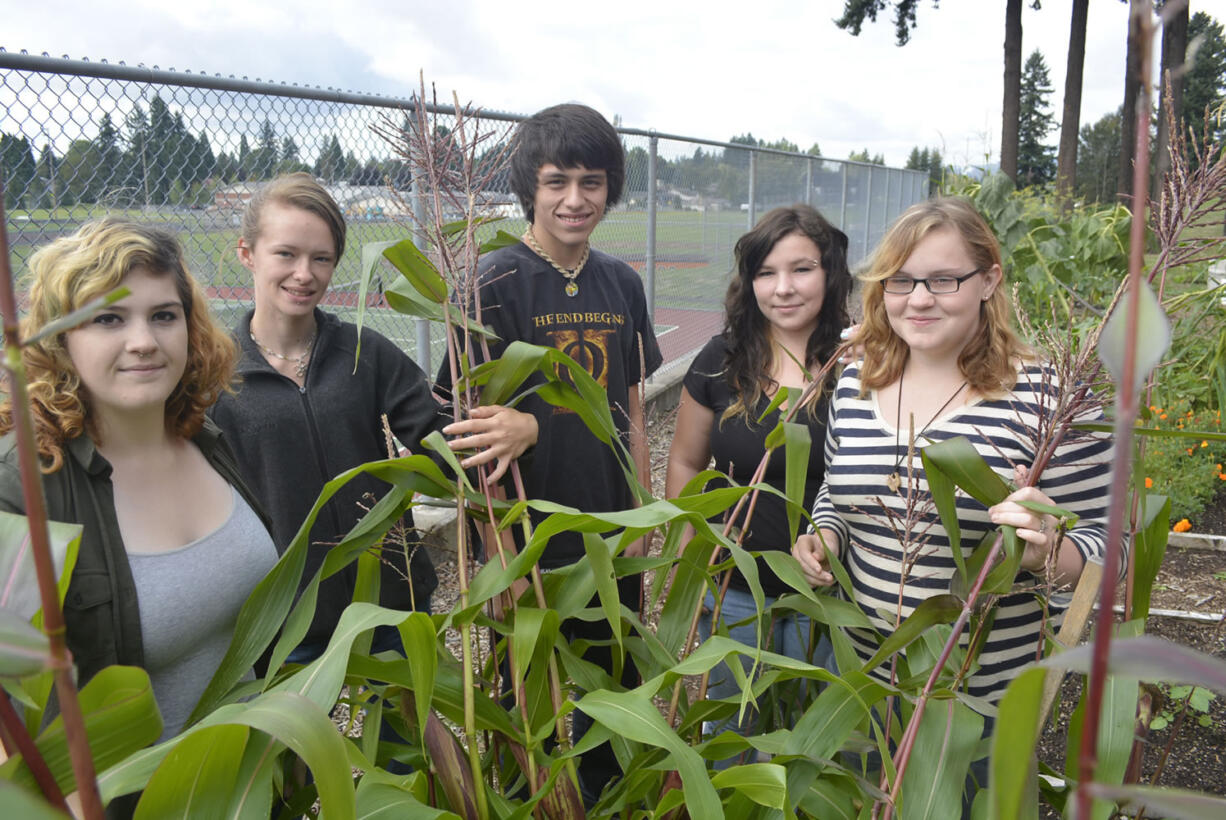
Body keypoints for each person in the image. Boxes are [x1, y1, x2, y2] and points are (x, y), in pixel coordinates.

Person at [791, 197, 1113, 796]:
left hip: (974, 700)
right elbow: (836, 490)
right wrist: (825, 534)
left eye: (944, 279)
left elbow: (1103, 542)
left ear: (989, 280)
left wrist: (1047, 548)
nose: (918, 299)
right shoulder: (860, 383)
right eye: (901, 280)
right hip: (862, 680)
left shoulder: (1049, 397)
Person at [437, 103, 663, 806]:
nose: (574, 200)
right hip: (529, 542)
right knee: (530, 698)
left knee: (612, 684)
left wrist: (642, 513)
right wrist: (493, 548)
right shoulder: (492, 282)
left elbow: (629, 410)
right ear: (528, 187)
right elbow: (469, 432)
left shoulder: (621, 283)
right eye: (556, 181)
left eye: (591, 182)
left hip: (606, 527)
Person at [0, 221, 278, 748]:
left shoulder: (205, 438)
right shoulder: (24, 488)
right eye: (108, 318)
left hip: (252, 787)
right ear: (60, 339)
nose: (144, 342)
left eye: (163, 316)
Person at [209, 173, 447, 668]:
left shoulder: (365, 352)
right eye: (286, 254)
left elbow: (441, 441)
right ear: (247, 253)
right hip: (285, 622)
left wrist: (517, 433)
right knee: (294, 746)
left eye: (322, 258)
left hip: (390, 601)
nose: (305, 274)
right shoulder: (213, 376)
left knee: (408, 740)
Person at [664, 205, 850, 762]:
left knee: (814, 748)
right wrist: (698, 551)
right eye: (766, 273)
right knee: (732, 739)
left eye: (802, 270)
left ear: (831, 273)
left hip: (829, 597)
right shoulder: (721, 361)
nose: (783, 289)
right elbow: (684, 464)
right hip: (736, 591)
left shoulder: (861, 365)